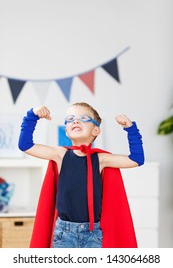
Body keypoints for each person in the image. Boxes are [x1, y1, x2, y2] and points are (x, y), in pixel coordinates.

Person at [18, 102, 144, 248]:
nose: (75, 121)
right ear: (66, 130)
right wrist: (32, 115)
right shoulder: (60, 154)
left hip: (93, 233)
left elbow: (136, 159)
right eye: (70, 119)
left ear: (95, 130)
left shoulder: (101, 159)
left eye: (83, 118)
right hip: (64, 233)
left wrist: (130, 129)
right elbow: (25, 145)